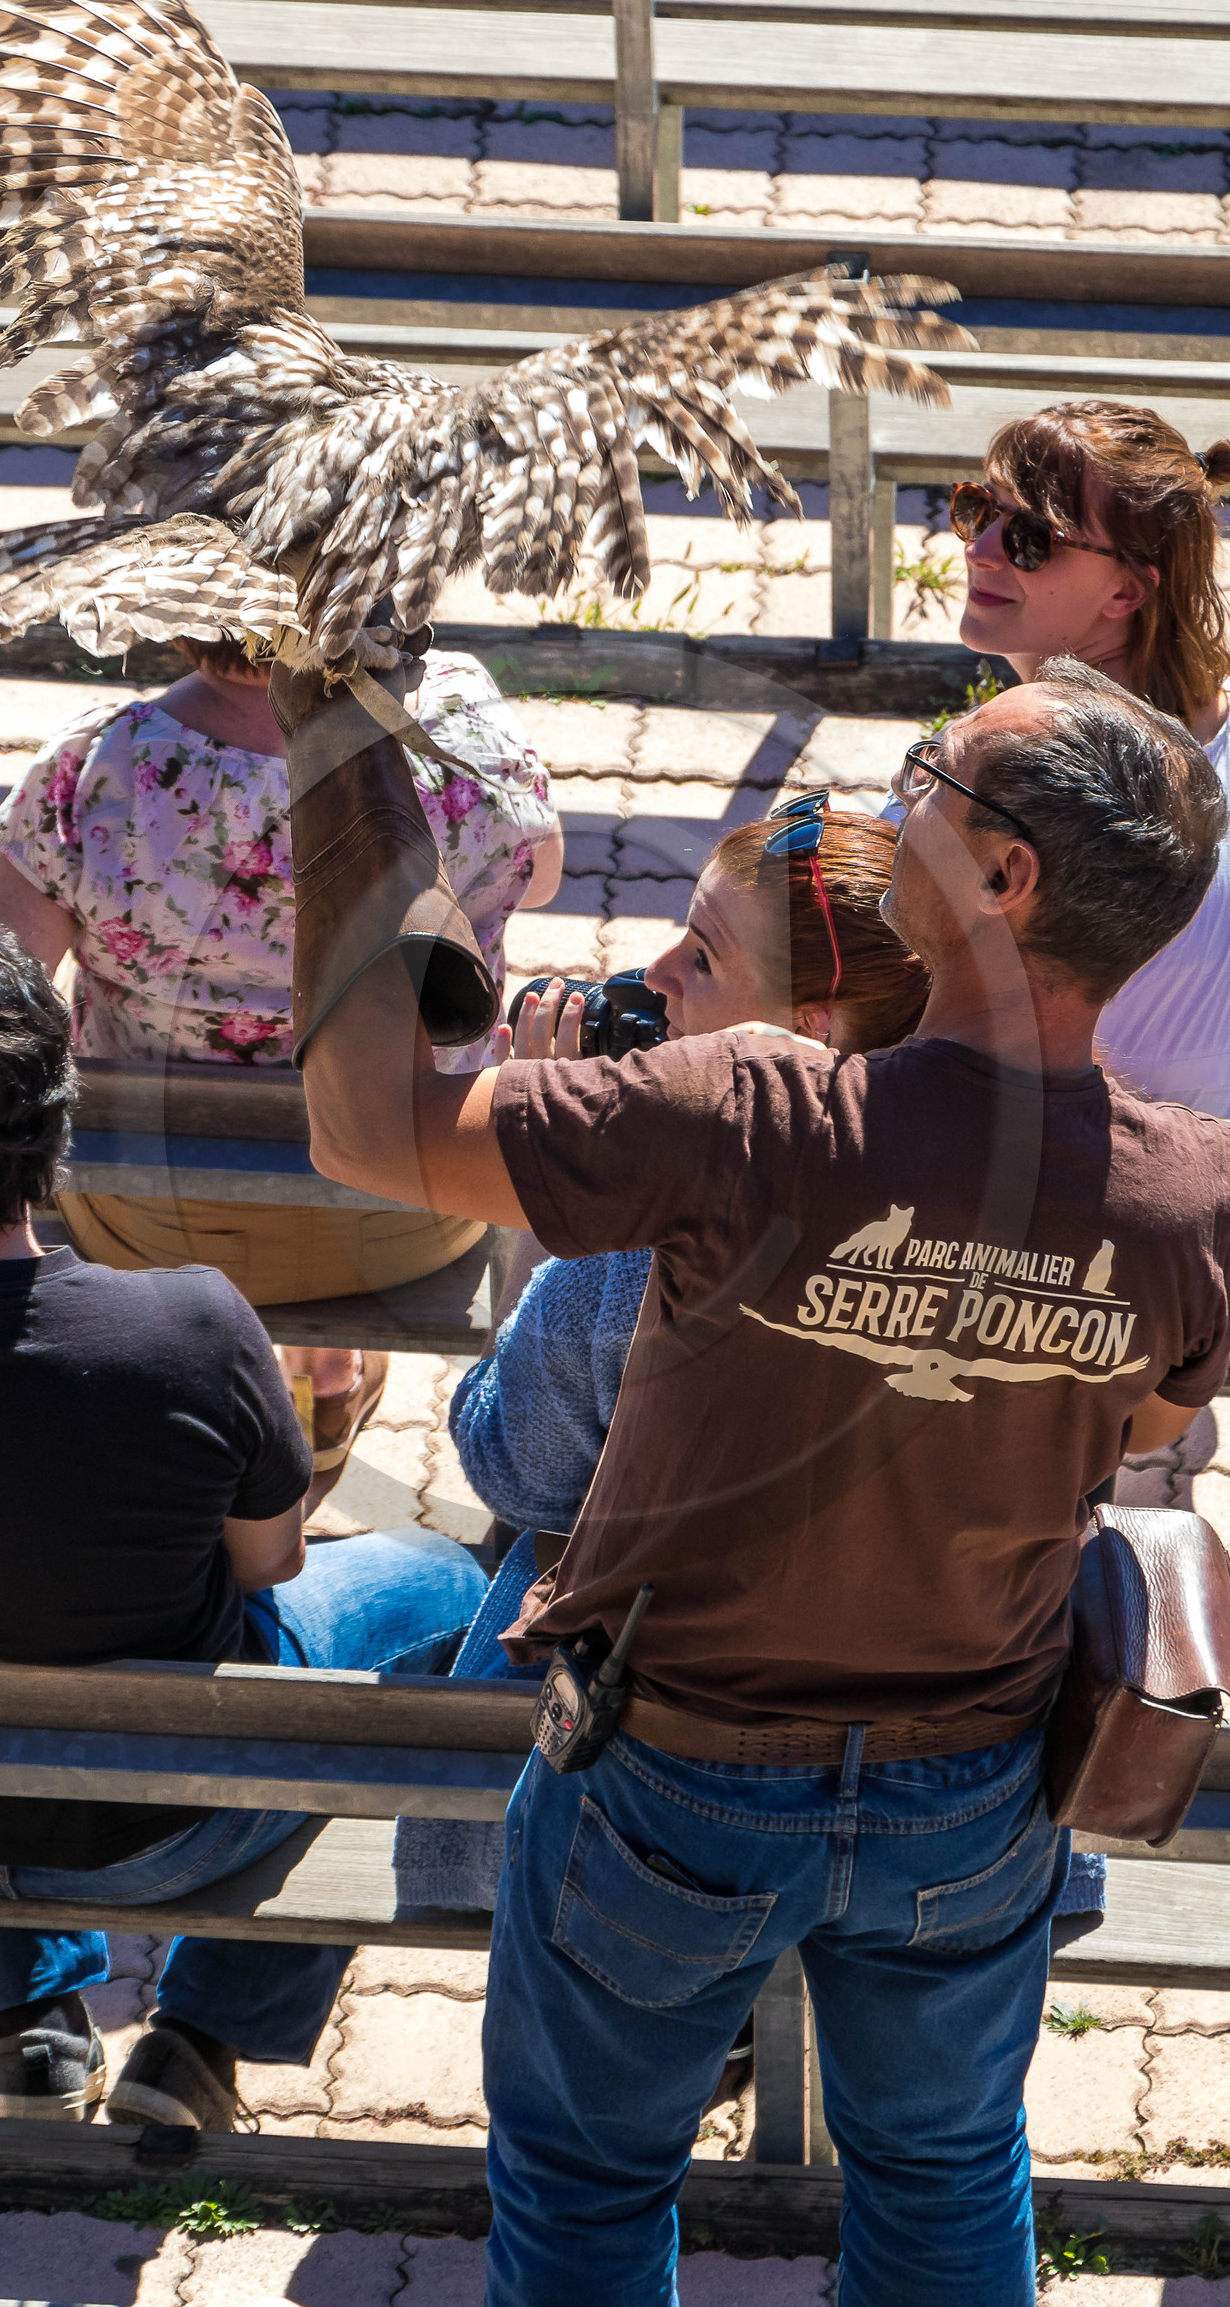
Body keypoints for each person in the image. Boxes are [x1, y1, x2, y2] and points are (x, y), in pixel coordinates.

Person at [288, 654, 1230, 2307]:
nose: (904, 786)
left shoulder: (753, 1112)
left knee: (590, 2188)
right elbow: (1152, 1426)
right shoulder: (1191, 1194)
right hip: (977, 1786)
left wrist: (349, 770)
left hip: (673, 1775)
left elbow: (367, 1122)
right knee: (949, 2176)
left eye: (938, 773)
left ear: (1004, 880)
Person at [0, 911, 485, 2133]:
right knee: (431, 1577)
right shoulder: (195, 1327)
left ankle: (35, 2023)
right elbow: (272, 1563)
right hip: (170, 1828)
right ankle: (198, 2034)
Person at [398, 806, 929, 1915]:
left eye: (702, 954)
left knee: (418, 1658)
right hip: (942, 1767)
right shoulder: (1019, 1195)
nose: (653, 970)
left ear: (811, 1025)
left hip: (666, 1775)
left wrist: (547, 1189)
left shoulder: (640, 1253)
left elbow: (513, 1467)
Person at [0, 634, 561, 1483]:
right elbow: (540, 877)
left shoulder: (102, 760)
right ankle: (322, 1369)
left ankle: (235, 1398)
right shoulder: (459, 717)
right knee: (360, 1071)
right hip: (413, 1212)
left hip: (150, 1219)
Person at [948, 398, 1230, 1340]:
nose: (982, 548)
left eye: (1030, 538)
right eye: (974, 508)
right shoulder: (1218, 698)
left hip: (1123, 1251)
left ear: (1126, 593)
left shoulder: (1042, 779)